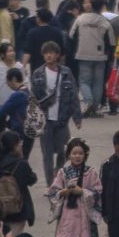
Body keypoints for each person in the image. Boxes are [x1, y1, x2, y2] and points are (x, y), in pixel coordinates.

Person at [48, 138, 97, 237]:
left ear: (85, 155)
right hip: (67, 218)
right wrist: (64, 192)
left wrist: (82, 192)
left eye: (80, 153)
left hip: (83, 217)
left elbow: (98, 192)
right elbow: (53, 192)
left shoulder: (91, 172)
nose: (77, 156)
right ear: (68, 155)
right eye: (74, 153)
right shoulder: (63, 172)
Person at [30, 42, 80, 184]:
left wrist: (77, 116)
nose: (49, 55)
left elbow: (73, 93)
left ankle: (58, 171)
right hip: (45, 120)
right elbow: (33, 98)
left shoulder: (66, 72)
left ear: (57, 55)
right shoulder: (38, 74)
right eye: (46, 53)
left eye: (52, 52)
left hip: (62, 118)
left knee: (64, 151)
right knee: (47, 154)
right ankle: (50, 183)